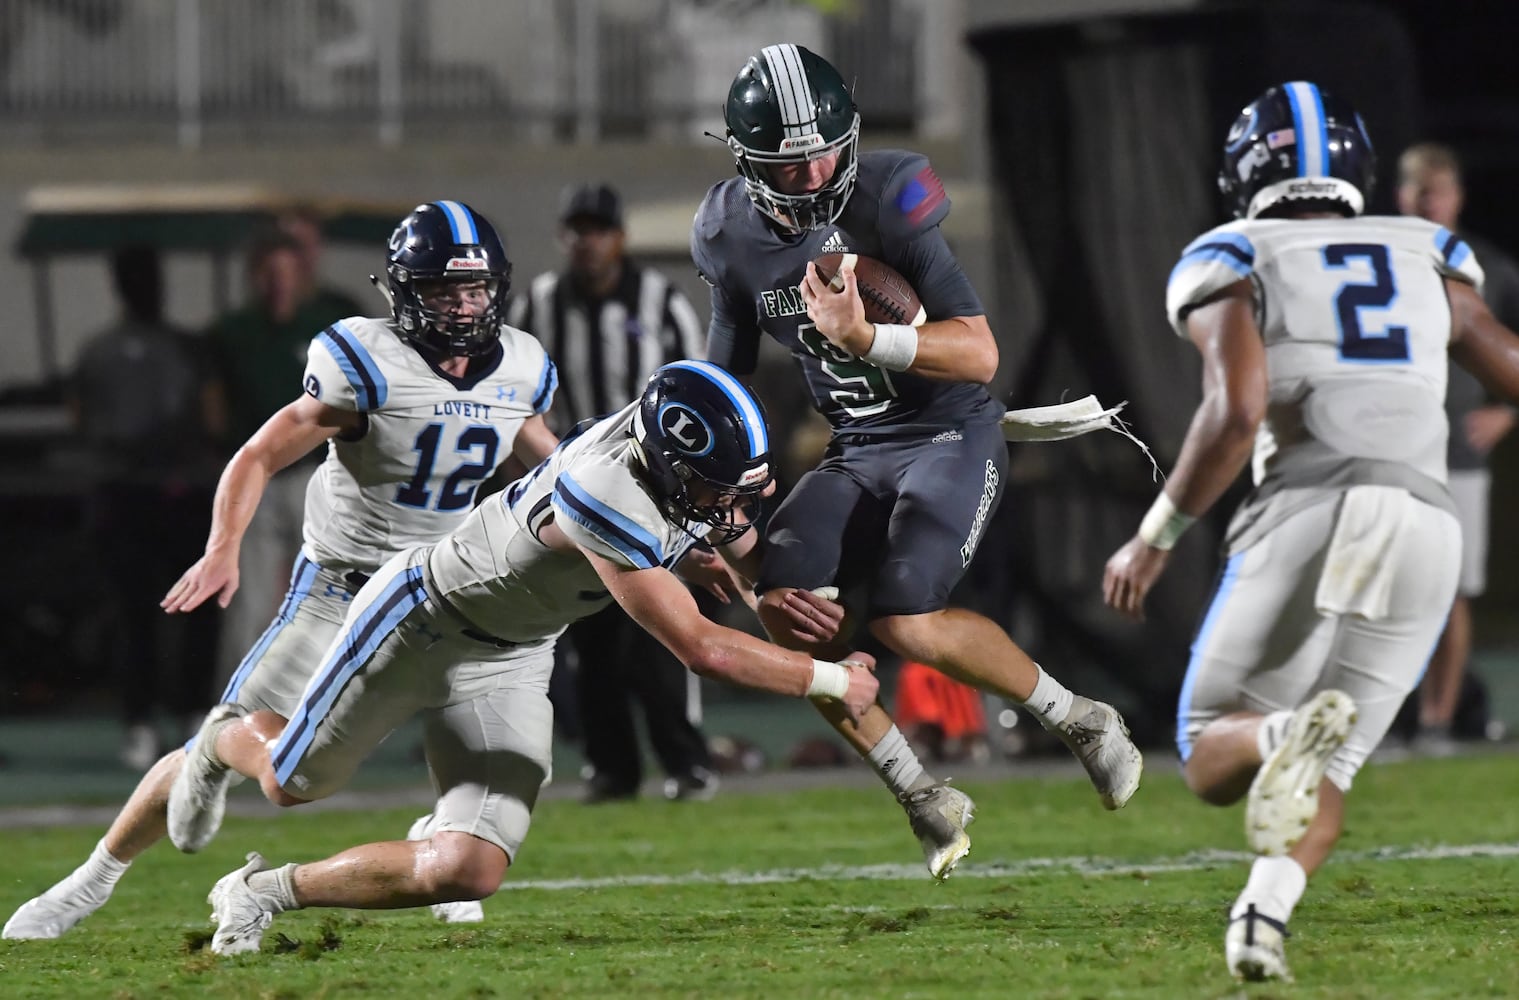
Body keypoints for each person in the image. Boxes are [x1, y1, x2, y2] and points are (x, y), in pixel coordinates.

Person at [165, 360, 876, 957]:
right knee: (291, 782)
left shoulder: (661, 465)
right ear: (668, 463)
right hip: (421, 621)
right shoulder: (608, 488)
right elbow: (701, 649)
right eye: (714, 489)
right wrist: (832, 678)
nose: (729, 506)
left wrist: (769, 598)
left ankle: (260, 891)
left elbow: (728, 548)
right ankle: (222, 739)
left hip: (514, 653)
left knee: (468, 870)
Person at [3, 200, 560, 941]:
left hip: (441, 597)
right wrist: (222, 546)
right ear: (402, 292)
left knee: (478, 742)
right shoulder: (366, 362)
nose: (462, 307)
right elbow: (259, 453)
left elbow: (543, 457)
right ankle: (92, 878)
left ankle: (443, 844)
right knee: (264, 756)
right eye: (441, 291)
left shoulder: (520, 367)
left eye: (474, 289)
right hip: (342, 590)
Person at [691, 43, 1144, 880]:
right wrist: (714, 494)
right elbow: (725, 381)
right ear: (748, 161)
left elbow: (978, 355)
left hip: (947, 431)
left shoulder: (892, 195)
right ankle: (920, 794)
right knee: (780, 603)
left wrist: (867, 339)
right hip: (855, 447)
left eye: (825, 150)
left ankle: (1078, 717)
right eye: (788, 165)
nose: (815, 173)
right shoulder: (725, 232)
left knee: (905, 616)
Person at [1101, 82, 1519, 982]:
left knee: (1213, 746)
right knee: (1333, 762)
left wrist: (1156, 533)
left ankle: (1276, 734)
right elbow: (1506, 363)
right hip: (1425, 519)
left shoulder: (1232, 251)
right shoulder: (1426, 250)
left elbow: (1236, 406)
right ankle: (1261, 920)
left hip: (1310, 503)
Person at [508, 181, 721, 802]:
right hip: (571, 493)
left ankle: (687, 761)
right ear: (563, 237)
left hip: (655, 493)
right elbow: (518, 400)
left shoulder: (662, 303)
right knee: (589, 642)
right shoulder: (538, 305)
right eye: (577, 230)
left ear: (619, 237)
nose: (587, 242)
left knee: (660, 634)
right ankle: (612, 768)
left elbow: (700, 389)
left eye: (597, 230)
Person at [69, 245, 223, 770]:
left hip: (172, 493)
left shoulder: (183, 348)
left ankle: (189, 714)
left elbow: (213, 414)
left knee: (188, 610)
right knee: (139, 615)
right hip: (133, 495)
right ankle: (147, 720)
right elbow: (83, 416)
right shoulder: (106, 351)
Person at [1395, 142, 1519, 754]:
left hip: (1457, 455)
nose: (1429, 202)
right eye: (1418, 190)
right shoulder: (1382, 258)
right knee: (1386, 588)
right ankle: (1387, 716)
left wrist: (1507, 412)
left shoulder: (1487, 268)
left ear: (1458, 197)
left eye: (1438, 190)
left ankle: (1436, 721)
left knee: (1449, 593)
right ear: (1401, 197)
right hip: (1390, 446)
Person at [206, 228, 364, 688]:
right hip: (260, 477)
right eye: (269, 274)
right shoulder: (233, 332)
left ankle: (321, 707)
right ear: (255, 276)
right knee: (249, 600)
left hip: (318, 477)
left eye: (286, 274)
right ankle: (233, 708)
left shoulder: (327, 326)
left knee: (327, 597)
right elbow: (215, 406)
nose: (279, 284)